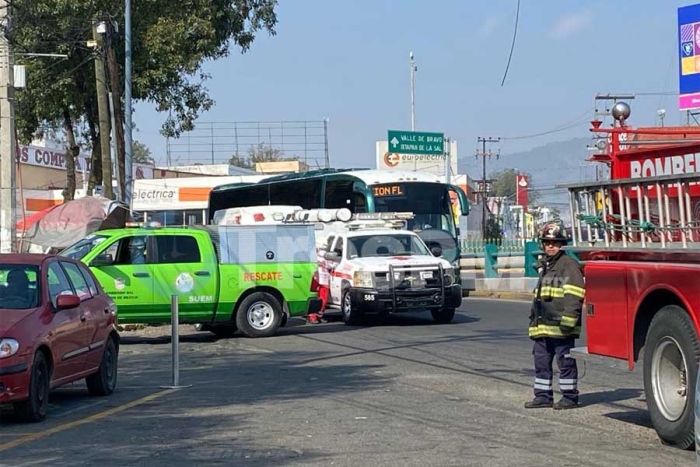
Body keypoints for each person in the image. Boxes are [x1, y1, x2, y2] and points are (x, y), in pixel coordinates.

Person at [525, 221, 585, 410]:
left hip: (561, 327)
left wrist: (568, 321)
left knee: (565, 362)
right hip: (543, 327)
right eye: (547, 242)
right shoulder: (545, 265)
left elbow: (574, 294)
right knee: (541, 362)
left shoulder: (569, 265)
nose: (550, 246)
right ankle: (543, 396)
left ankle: (569, 397)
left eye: (555, 243)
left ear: (562, 244)